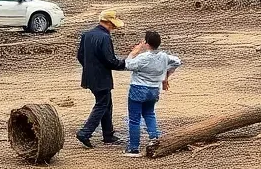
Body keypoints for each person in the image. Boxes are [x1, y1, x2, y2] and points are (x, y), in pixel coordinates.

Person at [123, 30, 182, 158]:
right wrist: (166, 76)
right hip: (154, 89)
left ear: (147, 43)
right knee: (149, 114)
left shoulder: (143, 57)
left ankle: (133, 148)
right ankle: (154, 139)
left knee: (134, 119)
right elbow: (177, 61)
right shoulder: (164, 56)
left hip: (138, 88)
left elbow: (127, 65)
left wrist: (134, 52)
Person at [75, 9, 128, 148]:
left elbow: (80, 56)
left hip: (89, 76)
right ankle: (85, 132)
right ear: (109, 22)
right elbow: (109, 60)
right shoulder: (104, 37)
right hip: (101, 78)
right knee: (102, 104)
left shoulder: (87, 34)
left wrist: (89, 68)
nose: (115, 27)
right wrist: (124, 64)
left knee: (106, 103)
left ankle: (108, 134)